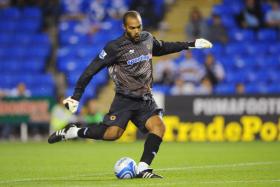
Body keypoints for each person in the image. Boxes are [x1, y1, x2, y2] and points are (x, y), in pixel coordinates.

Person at [48, 10, 212, 178]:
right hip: (124, 99)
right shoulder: (114, 47)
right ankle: (73, 132)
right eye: (132, 28)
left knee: (159, 127)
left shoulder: (147, 38)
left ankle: (142, 168)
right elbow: (91, 70)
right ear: (124, 27)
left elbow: (162, 48)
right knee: (113, 134)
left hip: (145, 99)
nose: (136, 31)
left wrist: (190, 44)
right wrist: (76, 96)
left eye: (139, 27)